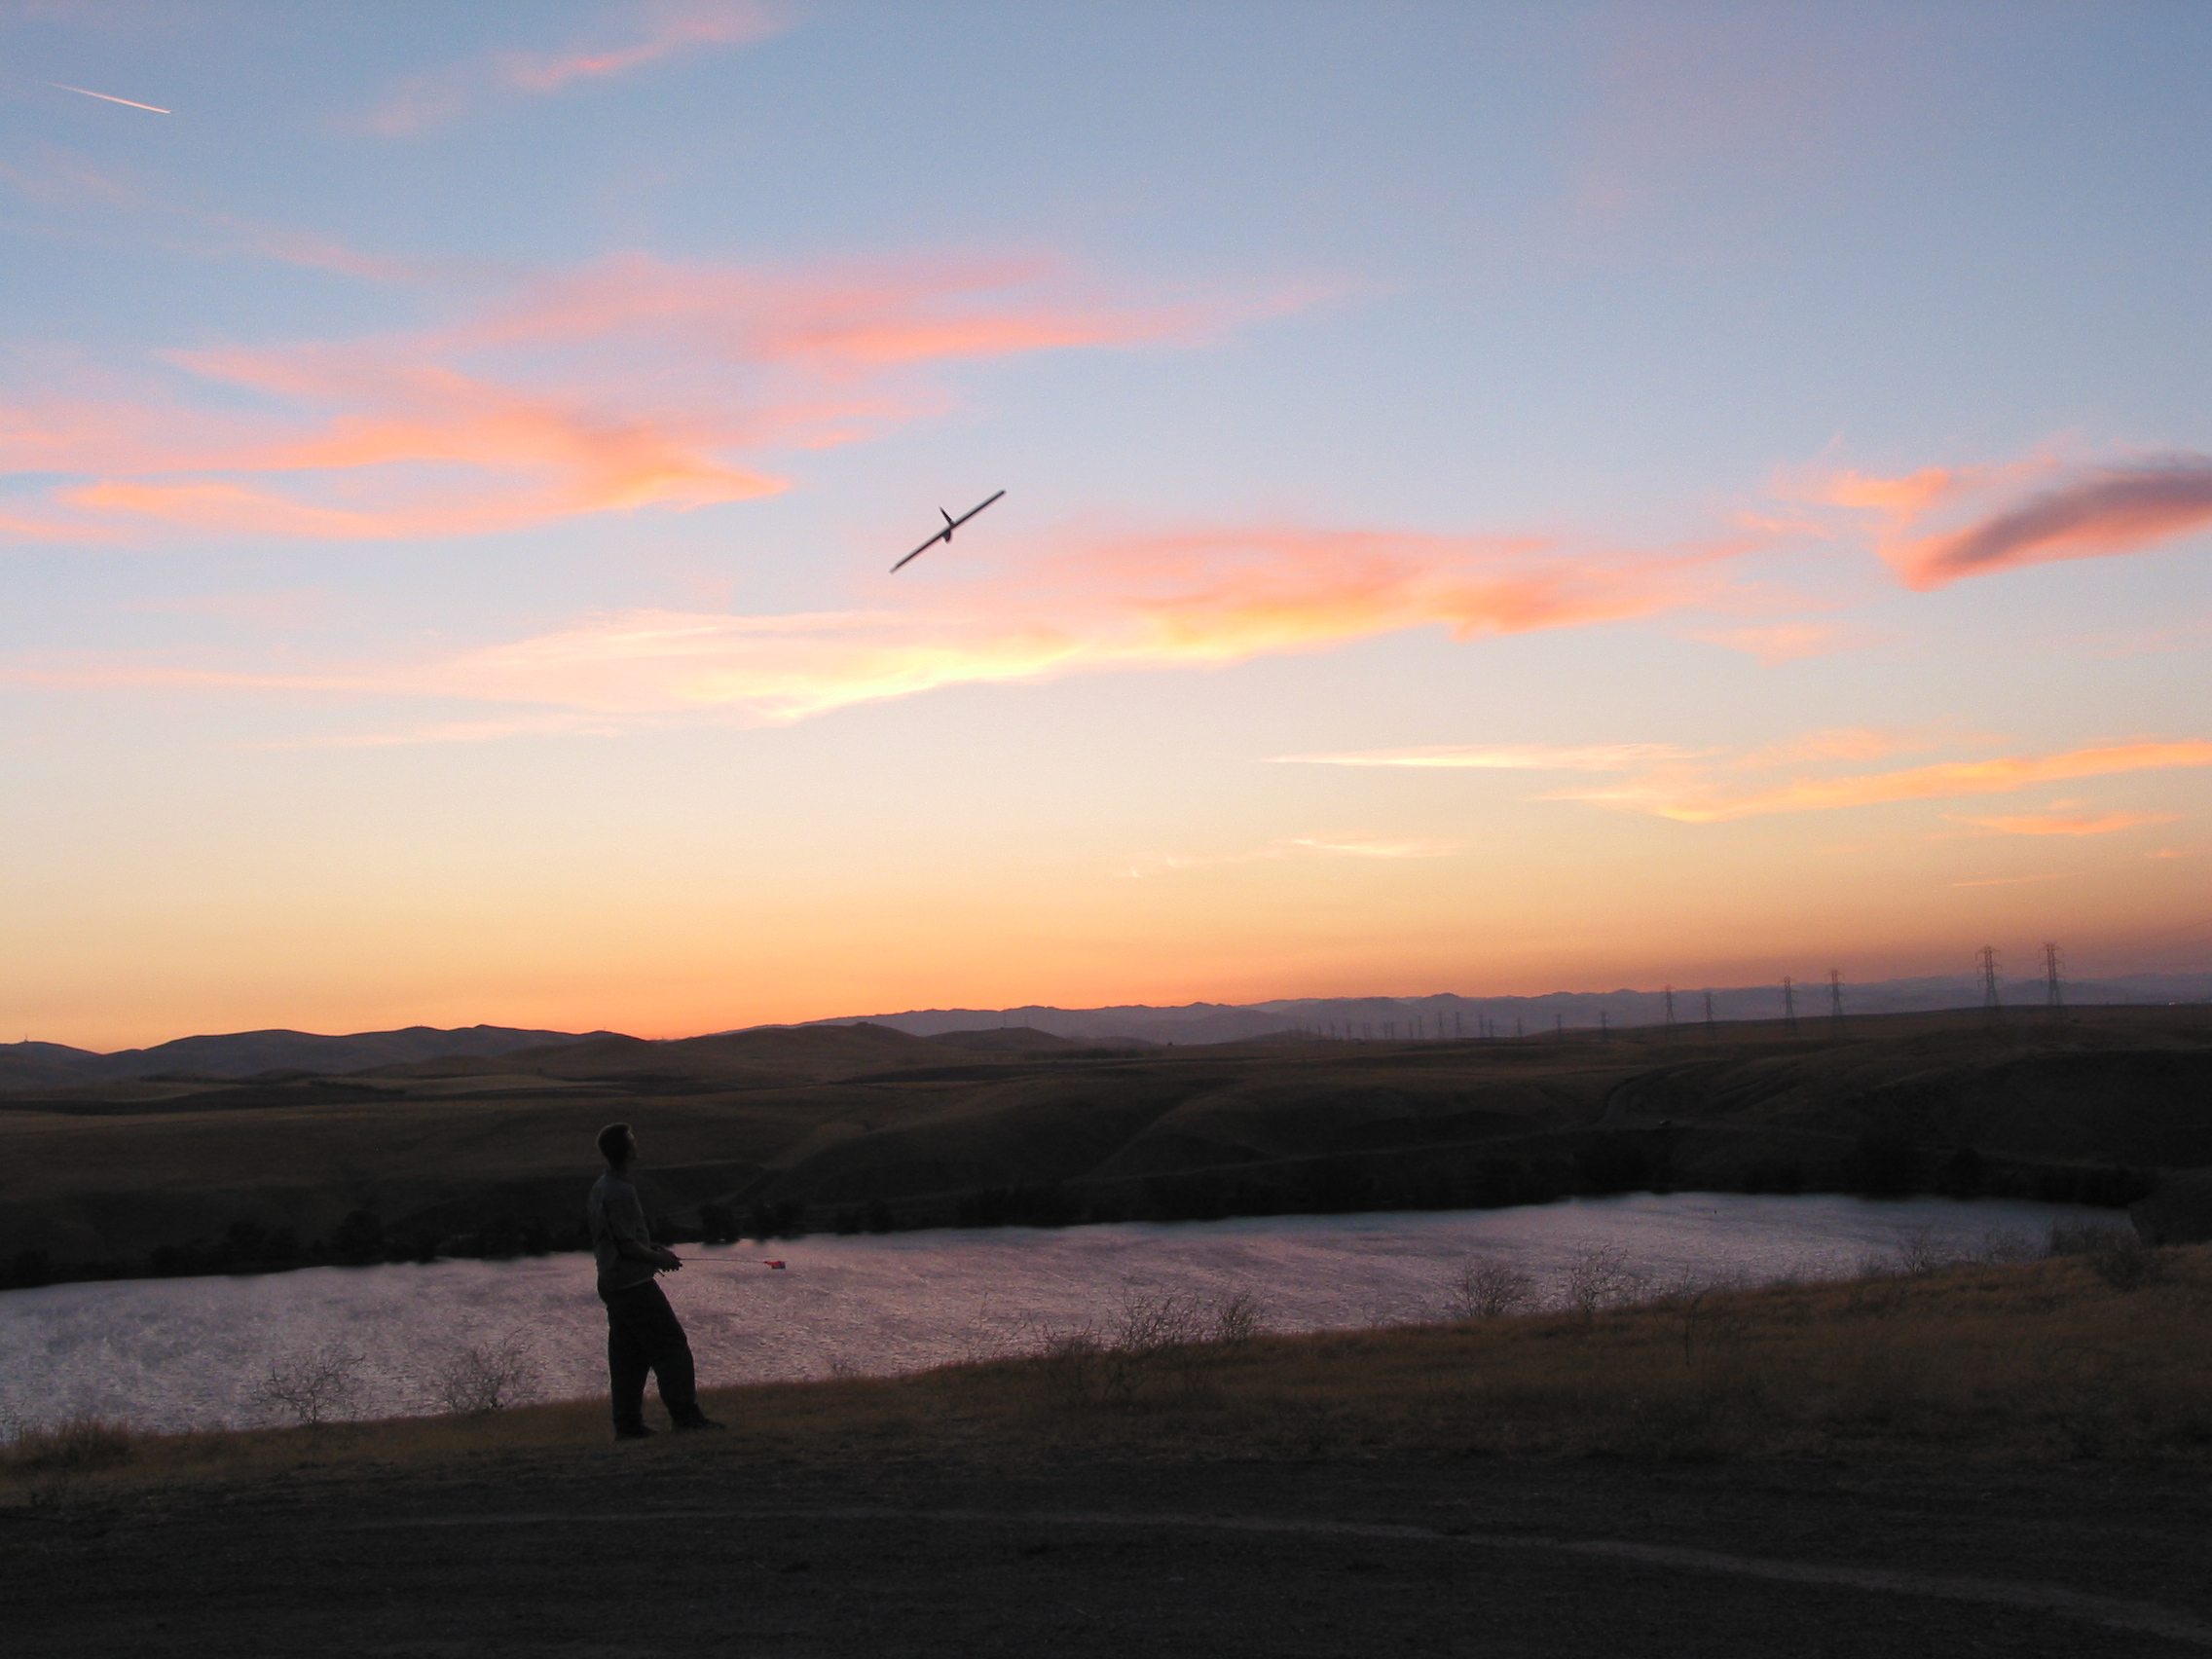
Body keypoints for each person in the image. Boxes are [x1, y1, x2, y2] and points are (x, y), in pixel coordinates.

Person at [587, 1122, 722, 1440]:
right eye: (633, 1140)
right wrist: (659, 1259)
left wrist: (653, 1251)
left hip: (612, 1283)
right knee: (672, 1347)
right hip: (632, 1286)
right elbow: (626, 1244)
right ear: (627, 1150)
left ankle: (628, 1425)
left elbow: (620, 1241)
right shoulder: (620, 1190)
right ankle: (686, 1417)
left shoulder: (601, 1187)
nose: (637, 1144)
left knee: (628, 1357)